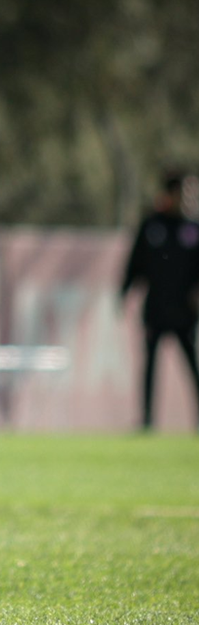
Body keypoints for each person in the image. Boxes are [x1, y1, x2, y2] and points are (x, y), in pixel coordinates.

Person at [119, 170, 199, 431]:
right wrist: (125, 291)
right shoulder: (152, 226)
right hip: (155, 309)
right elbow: (135, 263)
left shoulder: (192, 229)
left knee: (192, 367)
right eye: (182, 192)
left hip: (184, 312)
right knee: (150, 366)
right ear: (170, 193)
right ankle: (147, 420)